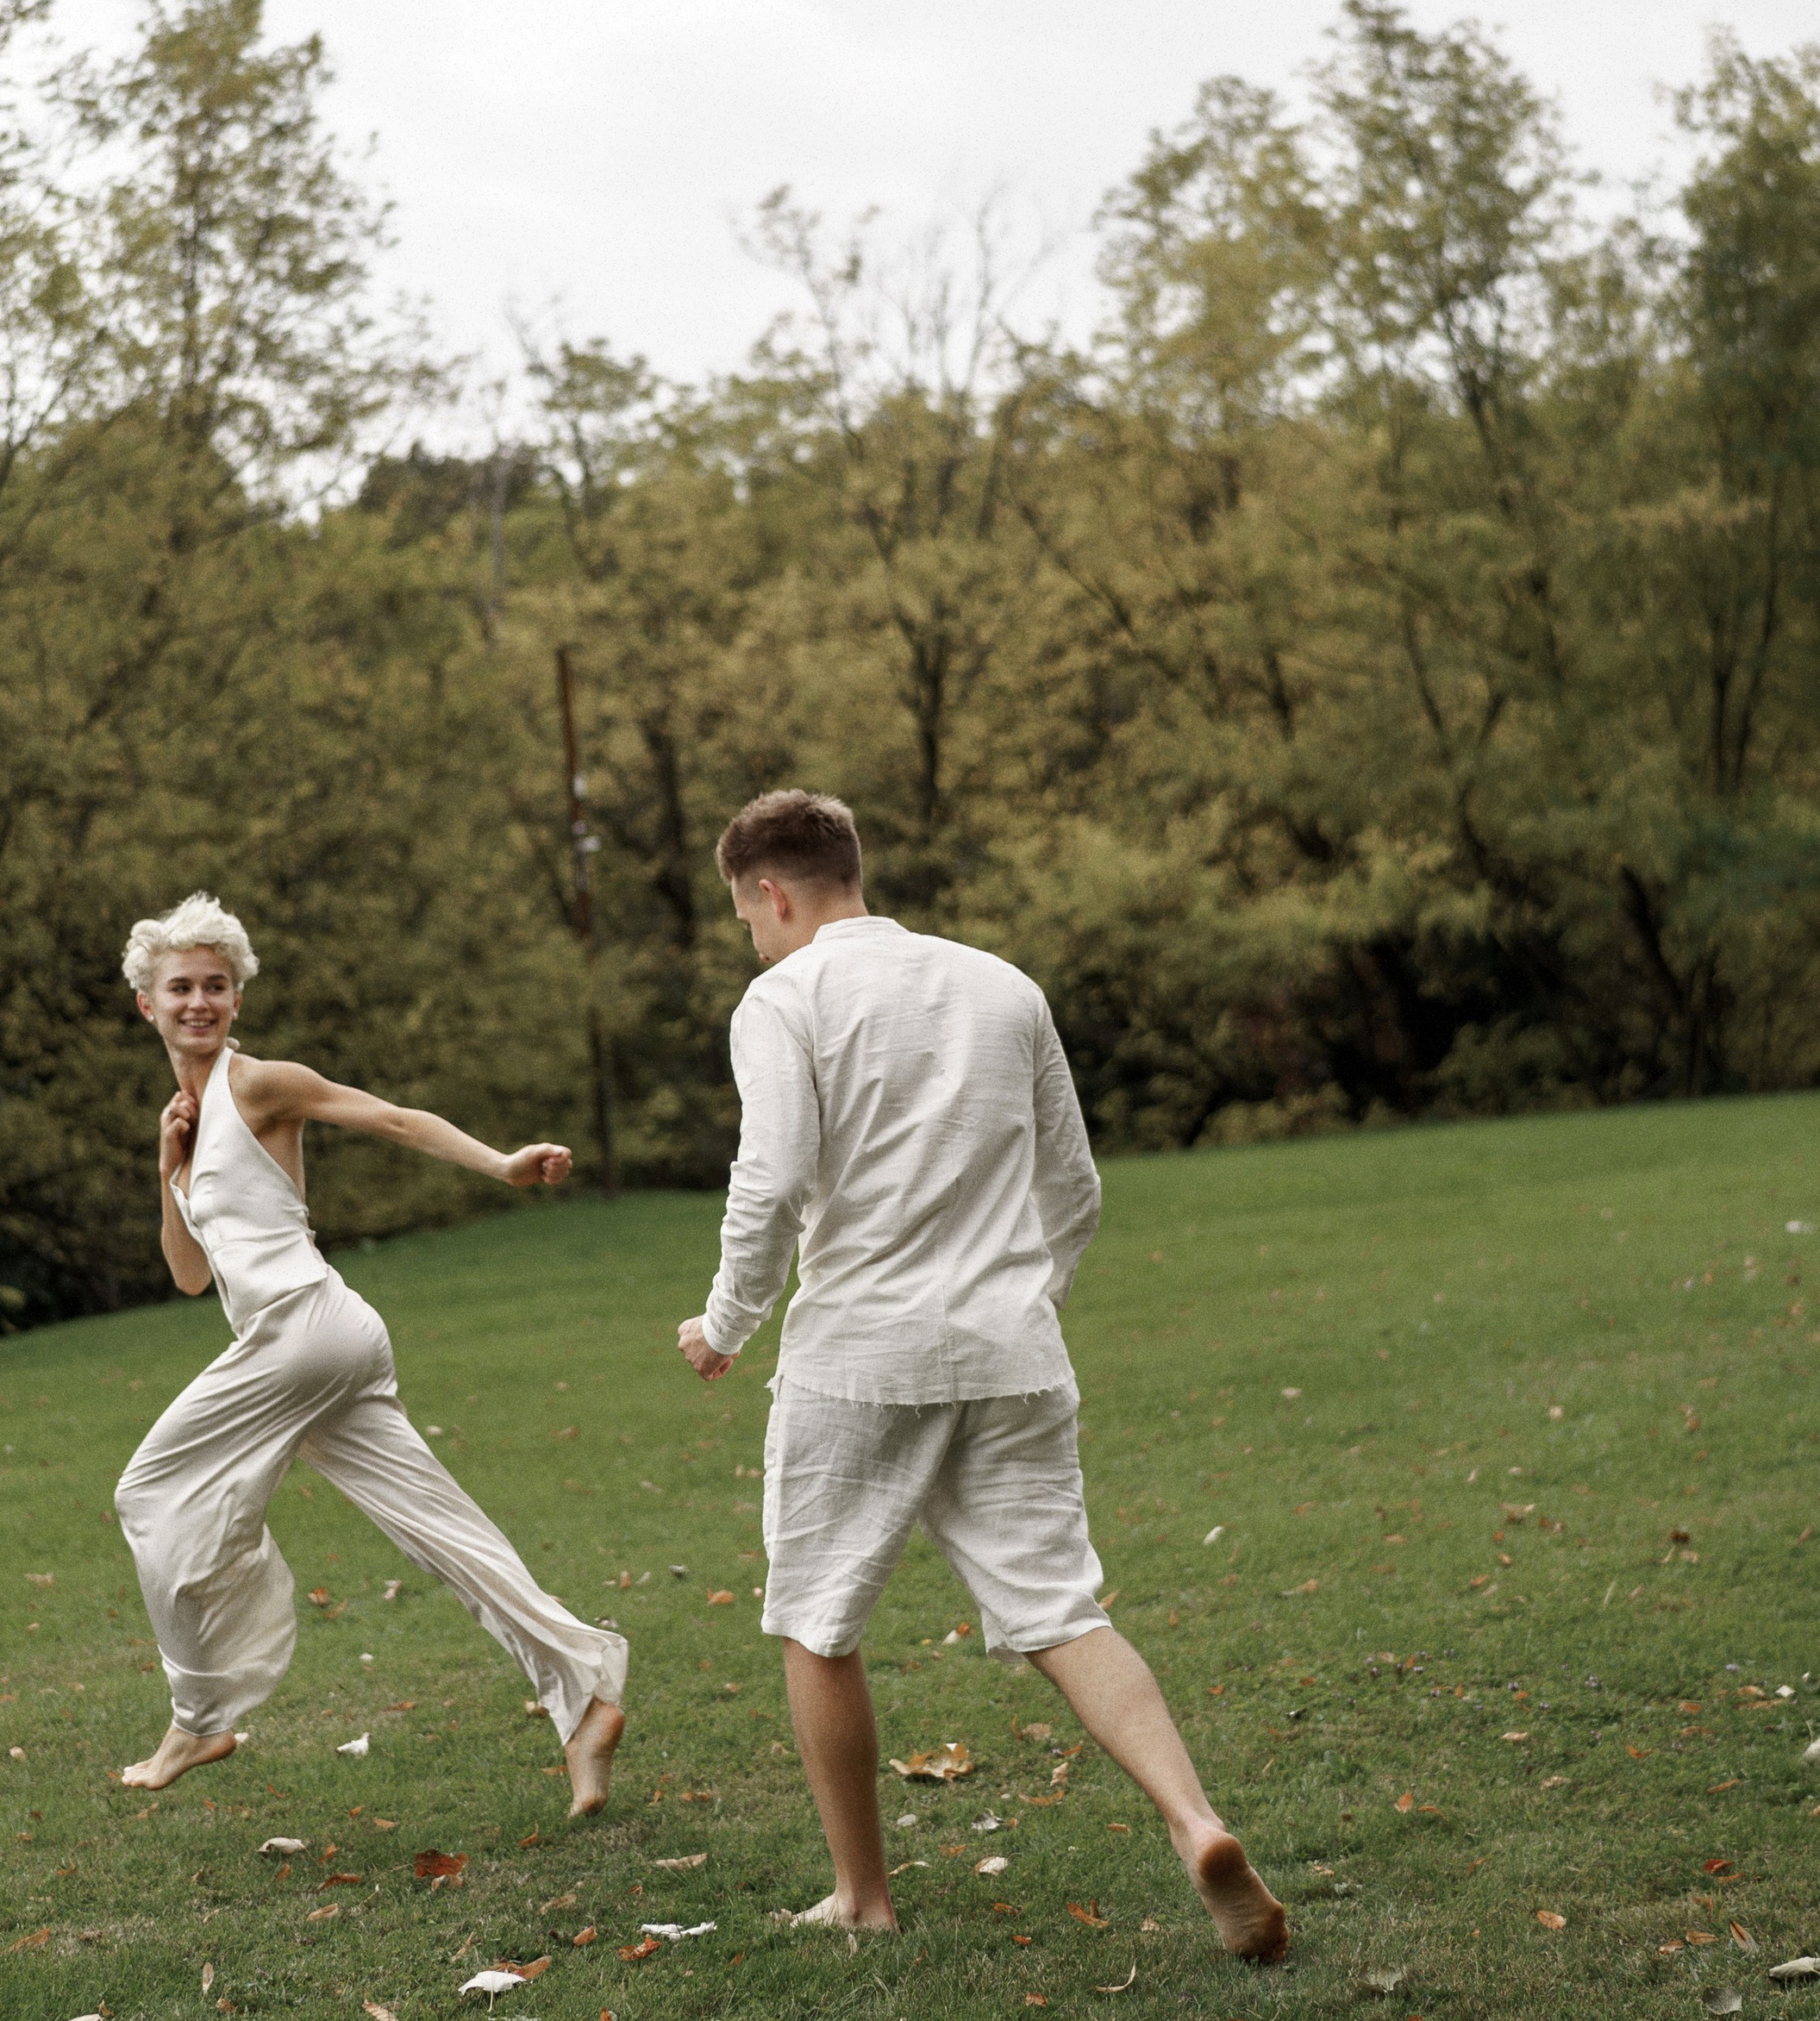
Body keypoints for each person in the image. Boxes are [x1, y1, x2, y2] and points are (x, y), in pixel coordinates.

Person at [676, 792, 1284, 1959]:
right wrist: (1022, 1303)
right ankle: (1195, 1821)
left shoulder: (784, 998)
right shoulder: (1004, 987)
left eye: (745, 916)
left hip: (861, 1357)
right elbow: (1075, 1190)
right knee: (1060, 1608)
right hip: (1014, 1350)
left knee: (817, 1620)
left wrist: (725, 1322)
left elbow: (773, 1179)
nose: (751, 936)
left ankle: (862, 1896)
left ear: (771, 894)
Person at [111, 892, 627, 1811]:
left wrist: (501, 1163)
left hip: (303, 1332)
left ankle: (198, 1717)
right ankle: (585, 1698)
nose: (199, 1002)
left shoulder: (258, 1084)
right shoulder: (184, 1119)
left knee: (147, 1492)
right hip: (322, 1344)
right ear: (147, 1003)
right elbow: (189, 1276)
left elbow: (391, 1117)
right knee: (444, 1534)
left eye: (216, 986)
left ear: (236, 999)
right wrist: (166, 1171)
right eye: (181, 988)